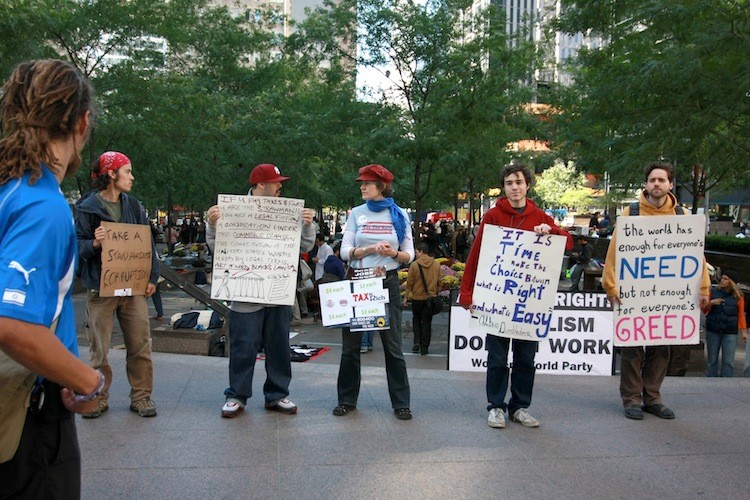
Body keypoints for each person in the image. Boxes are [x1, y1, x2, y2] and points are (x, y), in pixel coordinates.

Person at [0, 58, 104, 498]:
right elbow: (12, 321)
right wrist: (87, 380)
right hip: (31, 415)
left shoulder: (11, 189)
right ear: (82, 122)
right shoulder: (45, 207)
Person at [459, 162, 572, 429]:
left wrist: (552, 231)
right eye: (509, 183)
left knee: (525, 359)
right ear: (504, 187)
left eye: (519, 182)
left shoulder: (540, 216)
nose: (514, 187)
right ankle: (496, 406)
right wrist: (467, 293)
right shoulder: (492, 216)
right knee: (497, 357)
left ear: (527, 185)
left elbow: (567, 242)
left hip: (529, 303)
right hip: (497, 301)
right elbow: (475, 256)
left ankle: (520, 407)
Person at [603, 162, 710, 420]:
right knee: (632, 348)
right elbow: (614, 253)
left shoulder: (683, 217)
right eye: (652, 180)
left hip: (669, 297)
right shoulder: (631, 213)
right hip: (634, 294)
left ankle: (653, 397)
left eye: (661, 180)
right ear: (646, 184)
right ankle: (632, 399)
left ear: (670, 185)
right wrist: (611, 286)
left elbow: (697, 256)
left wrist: (704, 288)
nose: (657, 184)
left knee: (661, 348)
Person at [206, 163, 314, 418]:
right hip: (246, 295)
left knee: (278, 347)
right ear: (261, 184)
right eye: (276, 182)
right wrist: (212, 225)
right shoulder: (231, 210)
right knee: (243, 347)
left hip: (278, 292)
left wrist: (308, 225)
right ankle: (236, 395)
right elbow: (216, 246)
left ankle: (277, 394)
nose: (280, 186)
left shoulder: (287, 211)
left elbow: (305, 245)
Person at [75, 151, 160, 418]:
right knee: (99, 349)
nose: (132, 177)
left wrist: (151, 277)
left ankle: (142, 397)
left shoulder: (134, 205)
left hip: (133, 287)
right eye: (127, 171)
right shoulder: (86, 208)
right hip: (101, 288)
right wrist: (95, 244)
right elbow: (76, 247)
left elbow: (147, 244)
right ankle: (98, 397)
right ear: (111, 175)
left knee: (140, 345)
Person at [334, 164, 415, 420]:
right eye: (361, 183)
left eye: (366, 183)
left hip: (387, 281)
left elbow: (409, 254)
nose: (362, 187)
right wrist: (369, 250)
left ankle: (401, 403)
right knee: (350, 347)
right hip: (359, 280)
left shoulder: (399, 214)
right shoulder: (356, 214)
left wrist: (392, 253)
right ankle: (347, 399)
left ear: (380, 186)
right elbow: (345, 251)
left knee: (393, 346)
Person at [702, 272, 747, 377]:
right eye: (722, 278)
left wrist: (744, 331)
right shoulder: (713, 292)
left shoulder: (738, 296)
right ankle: (711, 380)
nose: (723, 281)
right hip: (714, 329)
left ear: (731, 282)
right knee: (712, 359)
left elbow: (741, 314)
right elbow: (704, 309)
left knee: (728, 361)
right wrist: (712, 302)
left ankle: (727, 381)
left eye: (726, 279)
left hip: (730, 331)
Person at [403, 242, 442, 355]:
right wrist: (435, 293)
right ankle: (425, 347)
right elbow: (440, 282)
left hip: (417, 298)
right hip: (430, 298)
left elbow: (409, 283)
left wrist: (406, 297)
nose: (415, 254)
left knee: (416, 319)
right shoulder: (436, 264)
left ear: (421, 251)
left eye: (416, 252)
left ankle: (417, 342)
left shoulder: (414, 265)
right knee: (427, 322)